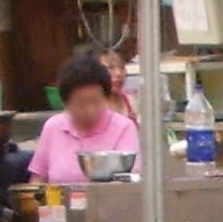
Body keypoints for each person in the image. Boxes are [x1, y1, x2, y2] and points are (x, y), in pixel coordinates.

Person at [26, 52, 141, 186]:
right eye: (81, 104)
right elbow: (37, 180)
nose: (90, 110)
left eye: (96, 101)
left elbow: (131, 182)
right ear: (65, 103)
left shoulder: (123, 127)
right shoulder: (53, 127)